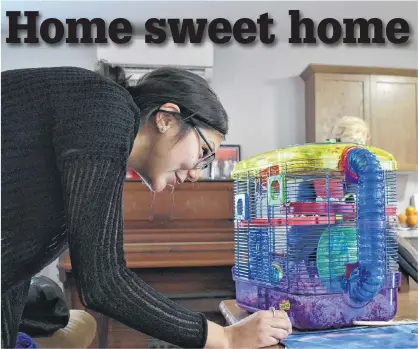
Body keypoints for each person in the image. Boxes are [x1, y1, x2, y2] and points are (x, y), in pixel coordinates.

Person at [1, 65, 292, 349]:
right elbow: (103, 282)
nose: (196, 174)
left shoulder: (99, 143)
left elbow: (13, 273)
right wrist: (225, 338)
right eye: (204, 152)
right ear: (166, 118)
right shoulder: (105, 106)